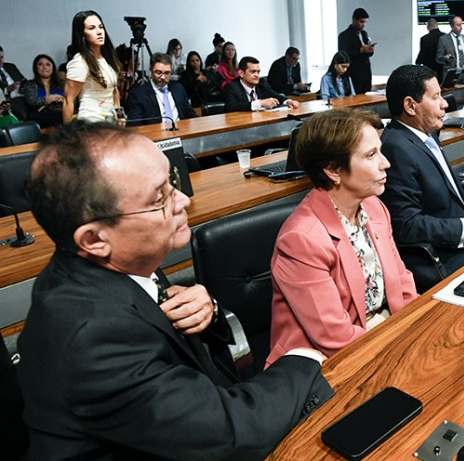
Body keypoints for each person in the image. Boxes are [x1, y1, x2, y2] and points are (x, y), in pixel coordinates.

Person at [18, 121, 333, 459]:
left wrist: (208, 310)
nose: (182, 200)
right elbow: (226, 433)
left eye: (173, 182)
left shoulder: (120, 260)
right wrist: (302, 360)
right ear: (94, 239)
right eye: (159, 198)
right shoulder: (91, 336)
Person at [268, 109, 418, 366]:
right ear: (333, 170)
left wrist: (418, 329)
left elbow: (403, 285)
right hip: (325, 366)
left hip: (382, 336)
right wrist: (399, 345)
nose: (386, 163)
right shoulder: (300, 240)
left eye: (379, 151)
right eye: (371, 155)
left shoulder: (374, 207)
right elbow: (335, 340)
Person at [380, 65, 464, 291]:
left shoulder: (424, 135)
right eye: (436, 96)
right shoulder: (395, 149)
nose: (445, 103)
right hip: (444, 259)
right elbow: (407, 225)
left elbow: (448, 186)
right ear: (410, 105)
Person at [63, 10, 123, 124]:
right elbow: (68, 100)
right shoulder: (80, 62)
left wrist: (119, 114)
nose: (99, 32)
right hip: (90, 121)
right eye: (91, 28)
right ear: (82, 34)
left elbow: (114, 90)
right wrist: (68, 136)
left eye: (100, 27)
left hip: (110, 120)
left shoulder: (108, 58)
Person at [125, 52, 198, 126]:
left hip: (181, 131)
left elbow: (190, 113)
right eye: (159, 72)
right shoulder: (138, 95)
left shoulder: (178, 88)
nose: (163, 77)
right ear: (150, 71)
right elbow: (134, 126)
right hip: (155, 134)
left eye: (167, 73)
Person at [223, 56, 300, 112]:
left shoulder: (262, 83)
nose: (257, 75)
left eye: (258, 72)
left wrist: (289, 101)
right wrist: (260, 103)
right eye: (253, 72)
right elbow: (231, 107)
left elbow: (275, 95)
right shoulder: (231, 87)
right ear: (241, 73)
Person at [22, 54, 64, 128]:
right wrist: (50, 99)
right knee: (58, 116)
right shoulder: (30, 84)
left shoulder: (62, 83)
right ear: (36, 68)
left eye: (48, 64)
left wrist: (63, 99)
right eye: (40, 64)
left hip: (61, 109)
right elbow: (32, 101)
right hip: (39, 113)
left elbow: (73, 99)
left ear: (53, 67)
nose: (44, 67)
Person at [338, 8, 374, 94]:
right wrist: (360, 50)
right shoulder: (344, 36)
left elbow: (367, 54)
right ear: (354, 20)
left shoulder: (364, 34)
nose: (363, 24)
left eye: (365, 22)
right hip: (354, 74)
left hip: (366, 74)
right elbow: (343, 55)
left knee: (367, 99)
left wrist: (370, 50)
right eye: (361, 22)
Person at [435, 16, 464, 85]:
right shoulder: (443, 39)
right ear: (451, 26)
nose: (461, 27)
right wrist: (445, 58)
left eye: (461, 24)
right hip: (451, 74)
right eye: (458, 25)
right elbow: (438, 58)